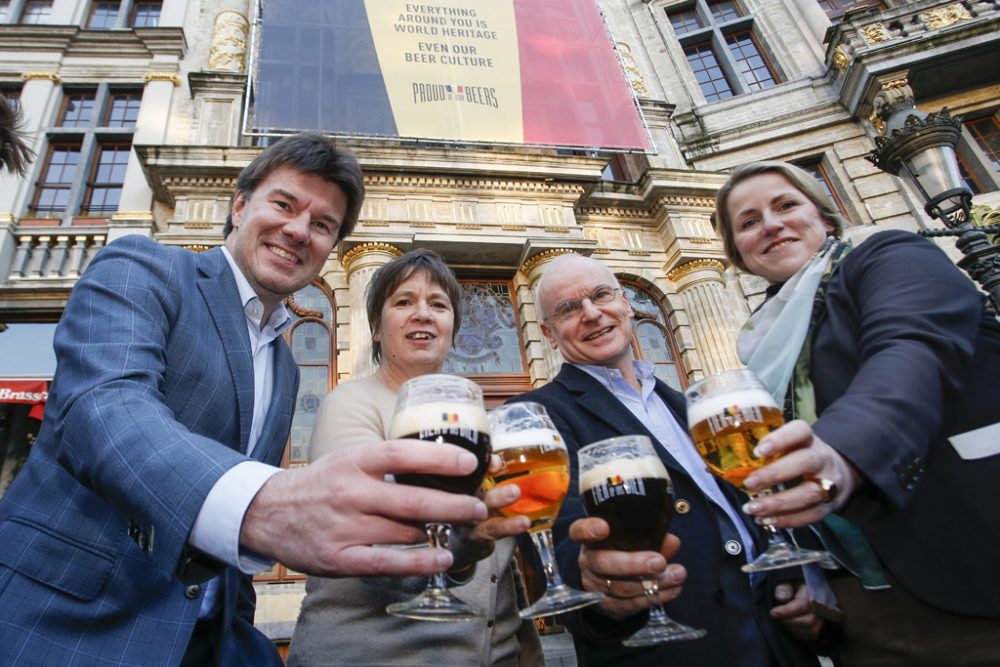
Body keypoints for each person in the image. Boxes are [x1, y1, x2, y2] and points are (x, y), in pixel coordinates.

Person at [0, 133, 493, 666]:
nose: (299, 230)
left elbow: (227, 560)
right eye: (284, 204)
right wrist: (264, 506)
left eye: (323, 224)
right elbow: (106, 410)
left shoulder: (284, 366)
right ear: (239, 206)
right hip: (67, 626)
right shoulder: (145, 269)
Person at [714, 160, 1000, 665]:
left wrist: (844, 451)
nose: (772, 224)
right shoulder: (759, 347)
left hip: (974, 571)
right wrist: (802, 580)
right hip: (864, 619)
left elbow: (910, 350)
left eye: (785, 205)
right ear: (740, 255)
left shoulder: (889, 258)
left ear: (825, 218)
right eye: (749, 221)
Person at [510, 253, 821, 666]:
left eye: (601, 295)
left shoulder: (693, 407)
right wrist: (596, 584)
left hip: (776, 642)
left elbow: (752, 499)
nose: (591, 313)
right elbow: (555, 538)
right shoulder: (534, 416)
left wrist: (794, 579)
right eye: (569, 308)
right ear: (549, 333)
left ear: (625, 302)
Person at [286, 248, 543, 666]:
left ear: (453, 328)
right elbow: (360, 534)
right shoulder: (352, 403)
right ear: (375, 327)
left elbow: (503, 566)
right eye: (403, 302)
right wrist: (458, 549)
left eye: (438, 305)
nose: (423, 314)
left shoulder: (472, 419)